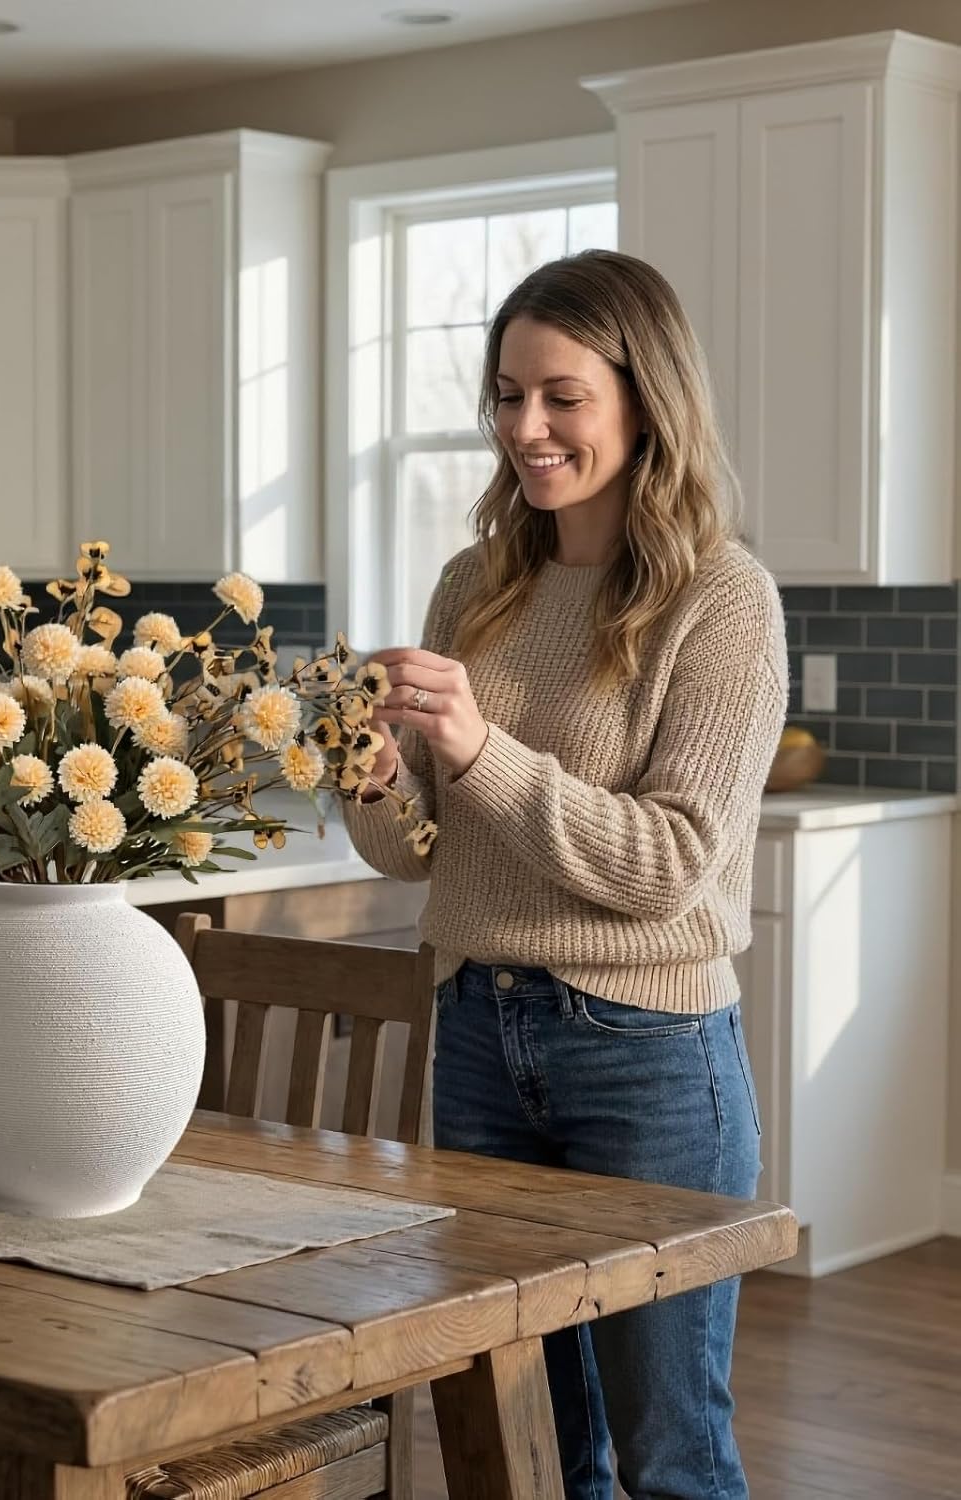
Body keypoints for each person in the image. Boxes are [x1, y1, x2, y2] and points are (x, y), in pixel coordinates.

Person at [345, 248, 786, 1500]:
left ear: (645, 401)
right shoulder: (473, 585)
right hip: (479, 1026)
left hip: (648, 1050)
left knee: (670, 1453)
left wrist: (481, 746)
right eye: (504, 394)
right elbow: (418, 851)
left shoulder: (724, 599)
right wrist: (371, 765)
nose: (523, 429)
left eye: (560, 396)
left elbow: (671, 865)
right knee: (536, 1443)